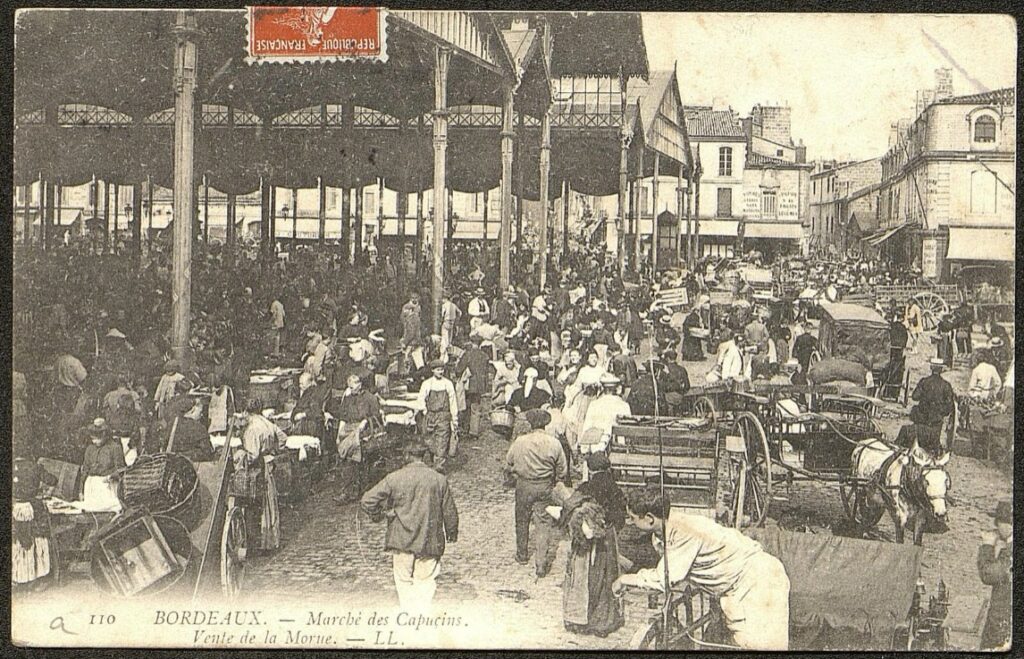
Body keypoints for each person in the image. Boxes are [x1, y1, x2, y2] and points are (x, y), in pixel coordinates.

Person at [613, 486, 790, 650]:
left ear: (650, 519)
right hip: (745, 580)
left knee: (758, 646)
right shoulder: (668, 528)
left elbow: (664, 578)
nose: (630, 523)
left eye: (633, 518)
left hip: (757, 582)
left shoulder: (683, 532)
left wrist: (625, 580)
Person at [361, 442, 459, 613]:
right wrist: (451, 532)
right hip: (429, 540)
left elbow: (367, 500)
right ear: (423, 456)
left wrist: (379, 515)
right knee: (426, 581)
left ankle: (408, 614)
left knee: (403, 581)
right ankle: (421, 616)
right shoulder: (439, 479)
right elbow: (449, 510)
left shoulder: (394, 478)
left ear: (407, 456)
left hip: (401, 540)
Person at [504, 409, 568, 574]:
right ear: (546, 424)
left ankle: (522, 554)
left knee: (522, 520)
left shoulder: (520, 441)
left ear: (530, 423)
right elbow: (562, 469)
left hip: (524, 486)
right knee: (543, 524)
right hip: (544, 486)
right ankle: (541, 563)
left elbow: (509, 462)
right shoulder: (554, 443)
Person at [977, 500, 1011, 650]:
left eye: (998, 522)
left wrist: (987, 546)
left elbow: (988, 574)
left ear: (1007, 524)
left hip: (1002, 623)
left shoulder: (1011, 552)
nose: (996, 527)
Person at [418, 360, 458, 473]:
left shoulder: (448, 384)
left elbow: (453, 401)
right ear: (432, 370)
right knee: (429, 439)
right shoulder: (427, 383)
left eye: (442, 369)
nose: (440, 372)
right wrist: (425, 411)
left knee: (442, 440)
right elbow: (421, 399)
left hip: (443, 416)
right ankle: (434, 458)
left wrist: (454, 418)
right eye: (438, 370)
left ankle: (439, 465)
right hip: (430, 415)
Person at [911, 358, 956, 451]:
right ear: (942, 370)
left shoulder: (924, 382)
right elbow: (949, 407)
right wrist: (939, 412)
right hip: (936, 422)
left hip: (922, 419)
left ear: (931, 368)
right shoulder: (946, 385)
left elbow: (915, 396)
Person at [453, 335, 492, 438]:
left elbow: (459, 369)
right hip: (480, 385)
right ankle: (474, 431)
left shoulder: (468, 354)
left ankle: (465, 428)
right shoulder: (485, 355)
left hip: (469, 384)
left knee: (466, 406)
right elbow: (487, 372)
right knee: (476, 406)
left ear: (471, 342)